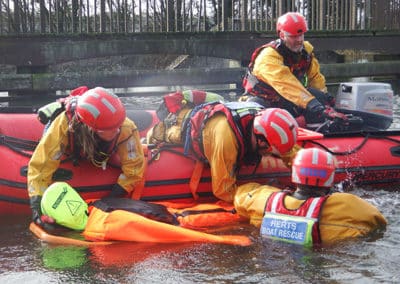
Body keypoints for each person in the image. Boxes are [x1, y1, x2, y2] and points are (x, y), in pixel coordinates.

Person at [27, 87, 145, 229]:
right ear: (92, 129)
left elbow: (134, 170)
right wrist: (38, 208)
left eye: (118, 126)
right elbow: (40, 167)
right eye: (111, 129)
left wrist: (111, 200)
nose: (117, 131)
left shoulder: (125, 126)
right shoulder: (65, 125)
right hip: (75, 141)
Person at [234, 147, 387, 246]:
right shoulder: (348, 205)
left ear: (295, 174)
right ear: (330, 177)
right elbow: (379, 221)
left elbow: (240, 195)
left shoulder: (263, 199)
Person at [241, 12, 349, 130]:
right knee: (259, 116)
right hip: (263, 101)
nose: (299, 40)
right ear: (282, 35)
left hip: (285, 100)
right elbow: (286, 84)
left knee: (319, 97)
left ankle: (315, 130)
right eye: (294, 36)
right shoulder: (268, 57)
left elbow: (315, 78)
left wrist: (327, 102)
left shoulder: (305, 51)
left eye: (301, 35)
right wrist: (313, 105)